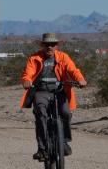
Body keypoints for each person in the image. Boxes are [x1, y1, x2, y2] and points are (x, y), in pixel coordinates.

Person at [19, 32, 87, 161]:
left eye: (52, 44)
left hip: (59, 91)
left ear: (56, 46)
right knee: (40, 113)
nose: (50, 47)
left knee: (66, 113)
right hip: (41, 91)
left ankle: (64, 141)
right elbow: (27, 72)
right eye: (47, 44)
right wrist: (27, 80)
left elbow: (73, 70)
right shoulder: (34, 58)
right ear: (43, 45)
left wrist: (80, 79)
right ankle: (42, 149)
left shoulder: (63, 57)